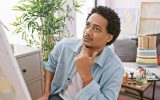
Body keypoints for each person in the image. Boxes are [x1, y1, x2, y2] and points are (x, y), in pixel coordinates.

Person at [37, 6, 124, 100]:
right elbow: (50, 65)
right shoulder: (65, 46)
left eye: (96, 29)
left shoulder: (115, 68)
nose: (87, 32)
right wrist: (46, 93)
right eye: (87, 25)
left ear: (109, 38)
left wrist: (86, 74)